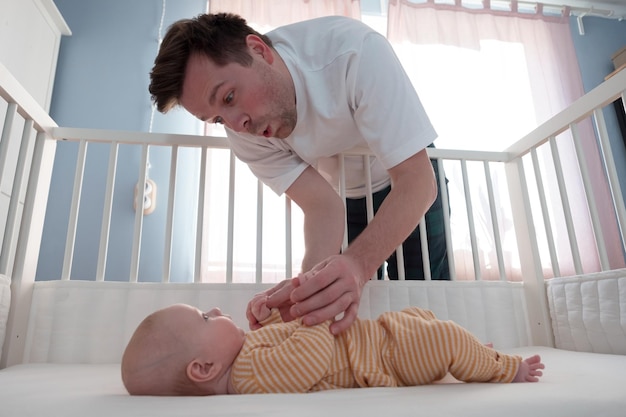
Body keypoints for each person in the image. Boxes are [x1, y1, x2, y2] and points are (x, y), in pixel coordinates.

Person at [148, 12, 450, 335]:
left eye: (229, 97)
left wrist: (358, 265)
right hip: (346, 197)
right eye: (218, 119)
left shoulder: (355, 52)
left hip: (409, 180)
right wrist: (305, 295)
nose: (237, 125)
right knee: (353, 314)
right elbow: (323, 208)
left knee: (431, 301)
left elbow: (417, 182)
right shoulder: (242, 133)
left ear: (259, 51)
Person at [121, 296, 545, 396]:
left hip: (378, 335)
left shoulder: (247, 352)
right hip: (385, 359)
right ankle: (504, 368)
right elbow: (307, 358)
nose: (215, 310)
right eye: (204, 318)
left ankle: (473, 355)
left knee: (426, 320)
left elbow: (287, 338)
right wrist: (315, 313)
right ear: (204, 368)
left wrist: (277, 310)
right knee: (442, 336)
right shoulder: (248, 378)